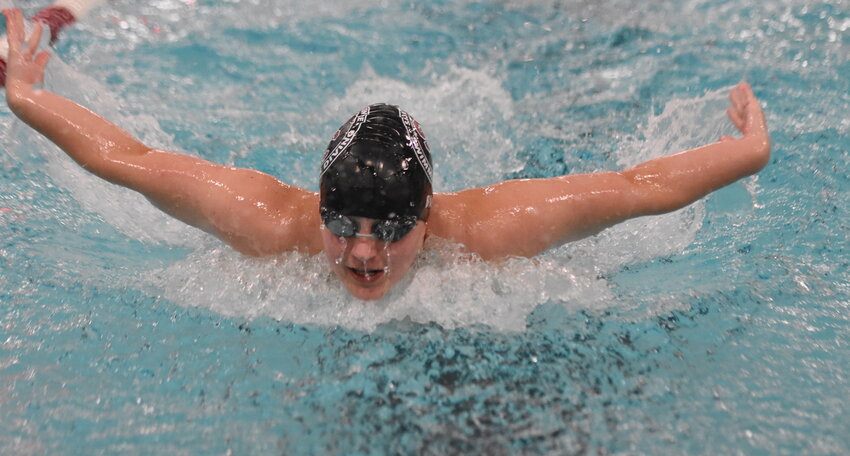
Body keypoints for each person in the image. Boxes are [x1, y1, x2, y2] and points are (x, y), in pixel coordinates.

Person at [2, 8, 771, 301]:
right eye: (346, 223)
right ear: (318, 205)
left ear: (427, 215)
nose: (364, 254)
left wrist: (751, 151)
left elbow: (637, 188)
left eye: (390, 229)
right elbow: (126, 158)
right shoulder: (270, 223)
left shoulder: (490, 230)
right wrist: (26, 97)